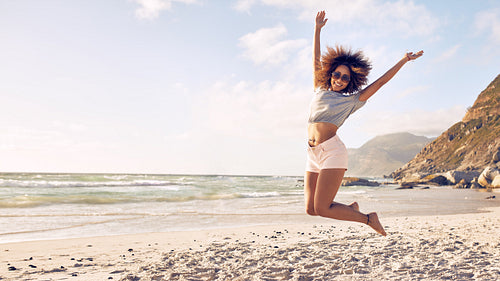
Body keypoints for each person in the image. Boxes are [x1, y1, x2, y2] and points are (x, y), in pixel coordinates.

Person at [305, 10, 423, 236]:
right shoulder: (319, 89)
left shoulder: (351, 101)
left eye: (345, 78)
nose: (339, 79)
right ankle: (350, 209)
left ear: (350, 81)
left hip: (332, 152)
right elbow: (315, 59)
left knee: (322, 207)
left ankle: (369, 218)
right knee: (311, 209)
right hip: (312, 153)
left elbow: (380, 83)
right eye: (337, 75)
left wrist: (403, 60)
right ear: (331, 74)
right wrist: (317, 30)